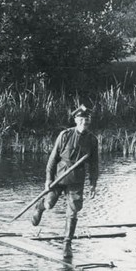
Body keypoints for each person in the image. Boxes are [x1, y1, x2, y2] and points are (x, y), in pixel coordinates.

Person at [31, 104, 99, 262]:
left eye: (86, 120)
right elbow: (53, 159)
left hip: (77, 180)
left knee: (73, 210)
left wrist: (93, 184)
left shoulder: (92, 140)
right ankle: (39, 207)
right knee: (50, 204)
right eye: (81, 119)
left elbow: (94, 164)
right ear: (76, 120)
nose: (84, 123)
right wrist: (48, 179)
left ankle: (67, 244)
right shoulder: (65, 135)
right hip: (60, 177)